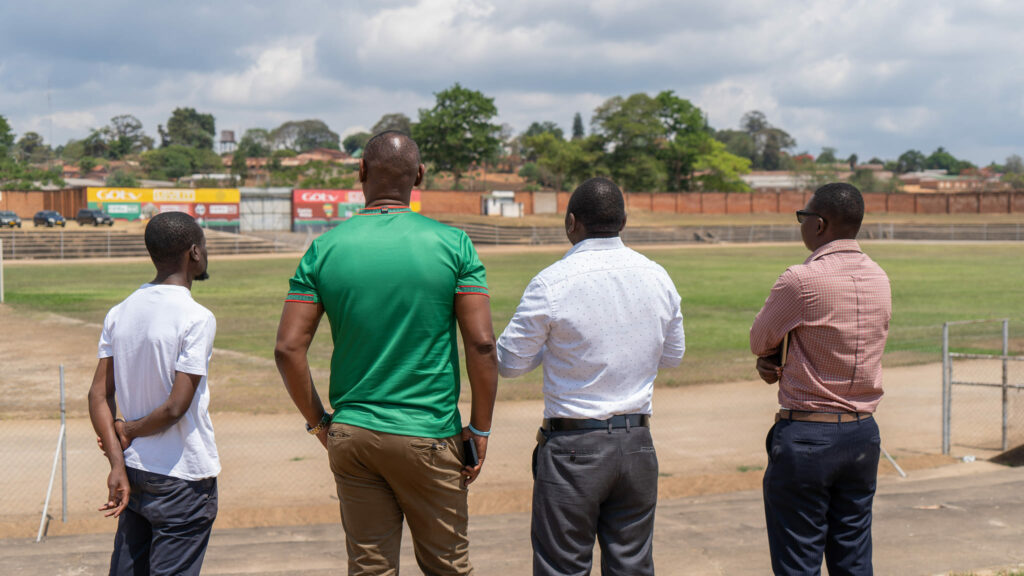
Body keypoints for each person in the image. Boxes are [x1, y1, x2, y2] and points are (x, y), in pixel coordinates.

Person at [274, 131, 498, 576]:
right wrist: (480, 429)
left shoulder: (323, 248)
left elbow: (287, 348)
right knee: (448, 568)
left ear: (361, 172)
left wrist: (320, 422)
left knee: (370, 569)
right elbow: (482, 344)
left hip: (353, 434)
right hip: (429, 433)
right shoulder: (454, 245)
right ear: (419, 176)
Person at [496, 177, 685, 576]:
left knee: (562, 566)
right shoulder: (658, 276)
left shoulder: (552, 281)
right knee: (633, 566)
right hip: (637, 443)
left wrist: (558, 347)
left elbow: (509, 362)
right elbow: (673, 356)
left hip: (573, 447)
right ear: (623, 221)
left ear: (571, 222)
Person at [750, 182, 892, 576]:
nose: (801, 223)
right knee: (853, 556)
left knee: (798, 560)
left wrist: (771, 360)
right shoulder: (880, 277)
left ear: (820, 224)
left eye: (803, 216)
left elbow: (760, 340)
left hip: (809, 436)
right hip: (863, 433)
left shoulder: (801, 279)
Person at [88, 211, 219, 576]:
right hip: (183, 478)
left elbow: (98, 395)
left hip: (134, 472)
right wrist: (127, 431)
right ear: (193, 252)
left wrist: (117, 461)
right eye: (204, 246)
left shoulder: (120, 311)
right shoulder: (196, 317)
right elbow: (176, 406)